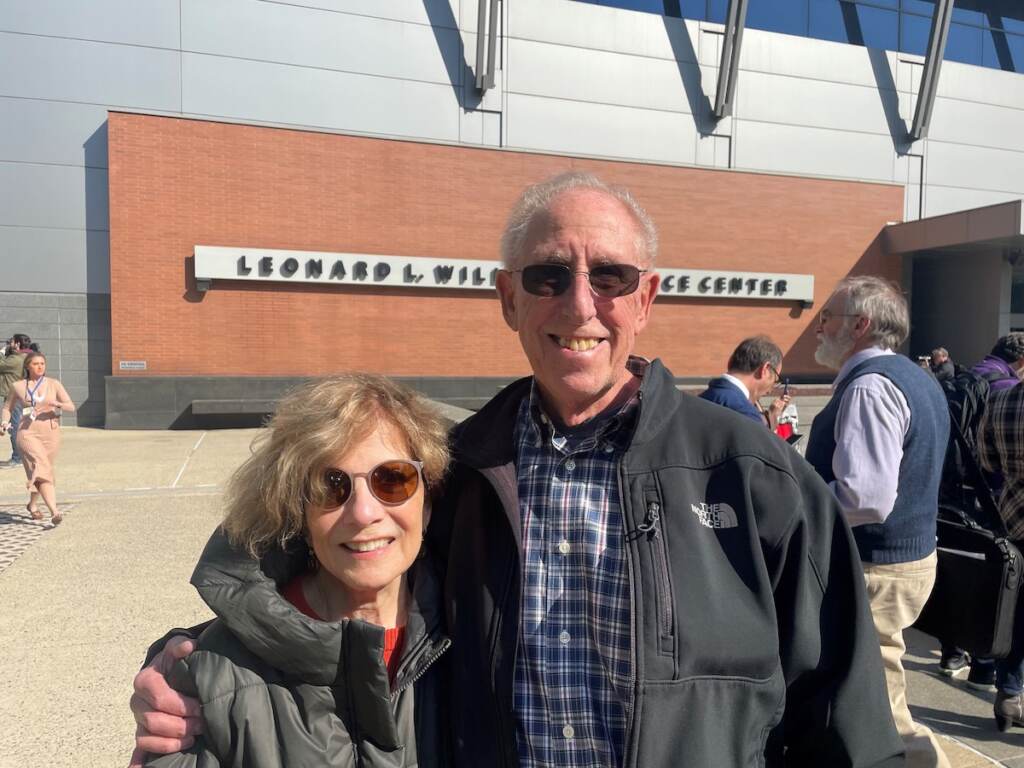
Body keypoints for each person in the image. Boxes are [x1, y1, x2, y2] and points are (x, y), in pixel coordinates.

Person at [132, 172, 904, 767]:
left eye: (610, 276)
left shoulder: (753, 478)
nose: (579, 304)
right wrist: (189, 664)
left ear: (647, 298)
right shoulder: (455, 476)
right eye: (547, 277)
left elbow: (846, 719)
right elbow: (323, 562)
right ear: (507, 298)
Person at [141, 374, 452, 767]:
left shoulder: (483, 645)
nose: (363, 513)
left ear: (427, 502)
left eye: (392, 479)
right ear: (298, 513)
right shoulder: (206, 680)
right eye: (329, 485)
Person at [805, 276, 950, 768]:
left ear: (861, 325)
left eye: (828, 316)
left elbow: (865, 498)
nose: (819, 326)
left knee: (881, 702)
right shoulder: (916, 377)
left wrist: (795, 501)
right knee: (881, 684)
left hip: (878, 566)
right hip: (906, 557)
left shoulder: (869, 387)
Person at [976, 382, 1024, 730]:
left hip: (1013, 517)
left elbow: (986, 459)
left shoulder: (1003, 398)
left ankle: (1008, 693)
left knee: (1016, 610)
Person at [1, 351, 75, 525]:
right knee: (41, 467)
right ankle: (54, 511)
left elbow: (71, 406)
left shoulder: (53, 384)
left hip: (50, 432)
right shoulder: (18, 386)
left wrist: (57, 404)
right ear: (27, 366)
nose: (40, 366)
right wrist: (4, 423)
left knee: (42, 470)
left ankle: (33, 505)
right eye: (35, 363)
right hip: (27, 432)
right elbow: (7, 408)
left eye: (42, 363)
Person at [698, 334, 791, 428]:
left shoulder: (696, 401)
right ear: (765, 370)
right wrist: (772, 418)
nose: (771, 390)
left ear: (729, 362)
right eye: (775, 379)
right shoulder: (747, 415)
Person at [0, 334, 34, 468]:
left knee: (14, 428)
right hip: (24, 396)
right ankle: (24, 456)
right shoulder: (27, 356)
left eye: (12, 341)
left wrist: (2, 352)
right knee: (22, 427)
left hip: (15, 398)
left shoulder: (16, 359)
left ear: (18, 344)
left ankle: (17, 458)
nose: (10, 343)